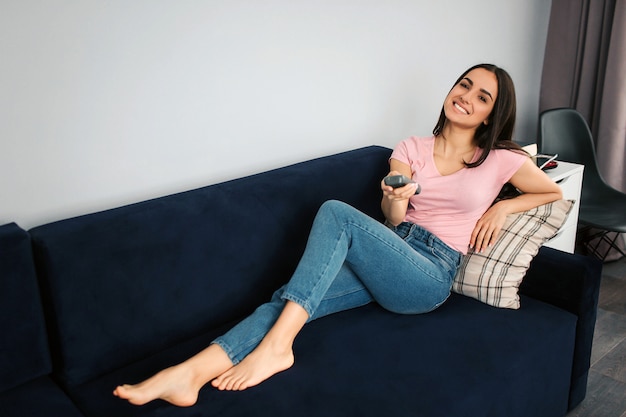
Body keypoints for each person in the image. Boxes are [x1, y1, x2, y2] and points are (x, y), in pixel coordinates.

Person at [113, 63, 562, 407]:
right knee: (292, 298)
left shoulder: (500, 158)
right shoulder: (411, 149)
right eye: (464, 84)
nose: (466, 96)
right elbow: (391, 215)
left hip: (430, 276)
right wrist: (395, 194)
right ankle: (187, 374)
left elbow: (550, 191)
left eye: (482, 97)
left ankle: (277, 349)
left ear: (490, 115)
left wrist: (504, 204)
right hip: (393, 249)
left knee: (336, 213)